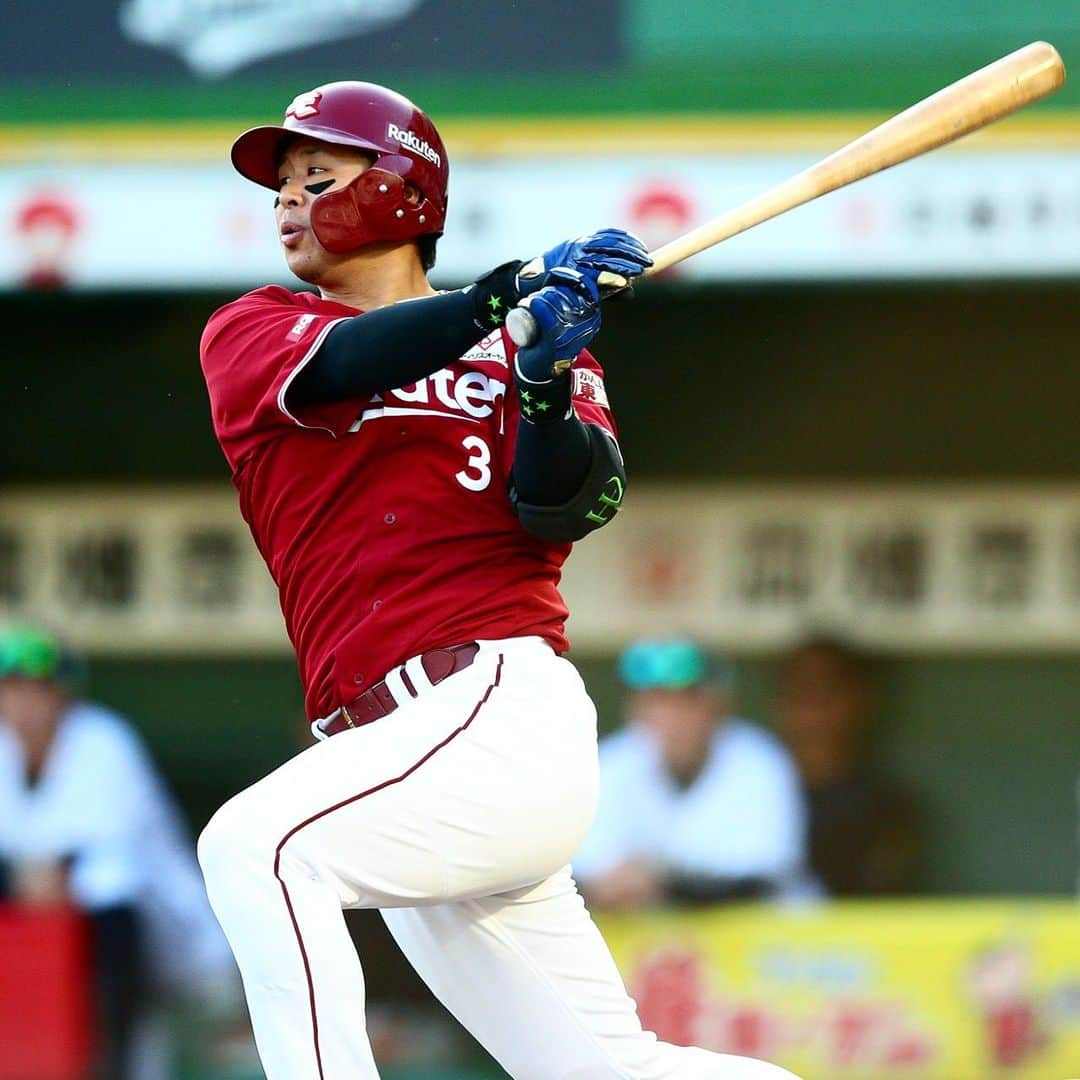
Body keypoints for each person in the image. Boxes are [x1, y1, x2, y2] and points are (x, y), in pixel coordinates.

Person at [197, 81, 802, 1079]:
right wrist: (501, 299)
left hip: (493, 708)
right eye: (279, 190)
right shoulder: (256, 329)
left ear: (400, 189)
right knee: (608, 1071)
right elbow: (356, 357)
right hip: (396, 754)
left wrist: (542, 384)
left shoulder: (526, 339)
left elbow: (568, 506)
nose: (288, 203)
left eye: (316, 175)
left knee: (255, 849)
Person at [0, 623, 244, 1080]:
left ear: (62, 696)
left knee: (111, 891)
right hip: (58, 956)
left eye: (39, 690)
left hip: (177, 955)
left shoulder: (103, 740)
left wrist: (38, 877)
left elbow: (102, 868)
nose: (25, 704)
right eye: (12, 690)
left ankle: (111, 1063)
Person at [573, 638, 814, 909]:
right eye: (657, 701)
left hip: (763, 939)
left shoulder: (760, 762)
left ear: (719, 707)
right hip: (647, 939)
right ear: (634, 711)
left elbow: (758, 880)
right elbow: (583, 873)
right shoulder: (613, 762)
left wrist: (658, 880)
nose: (672, 717)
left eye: (688, 701)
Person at [775, 634, 921, 896]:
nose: (812, 712)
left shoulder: (885, 807)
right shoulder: (750, 801)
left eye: (826, 692)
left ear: (861, 701)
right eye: (799, 693)